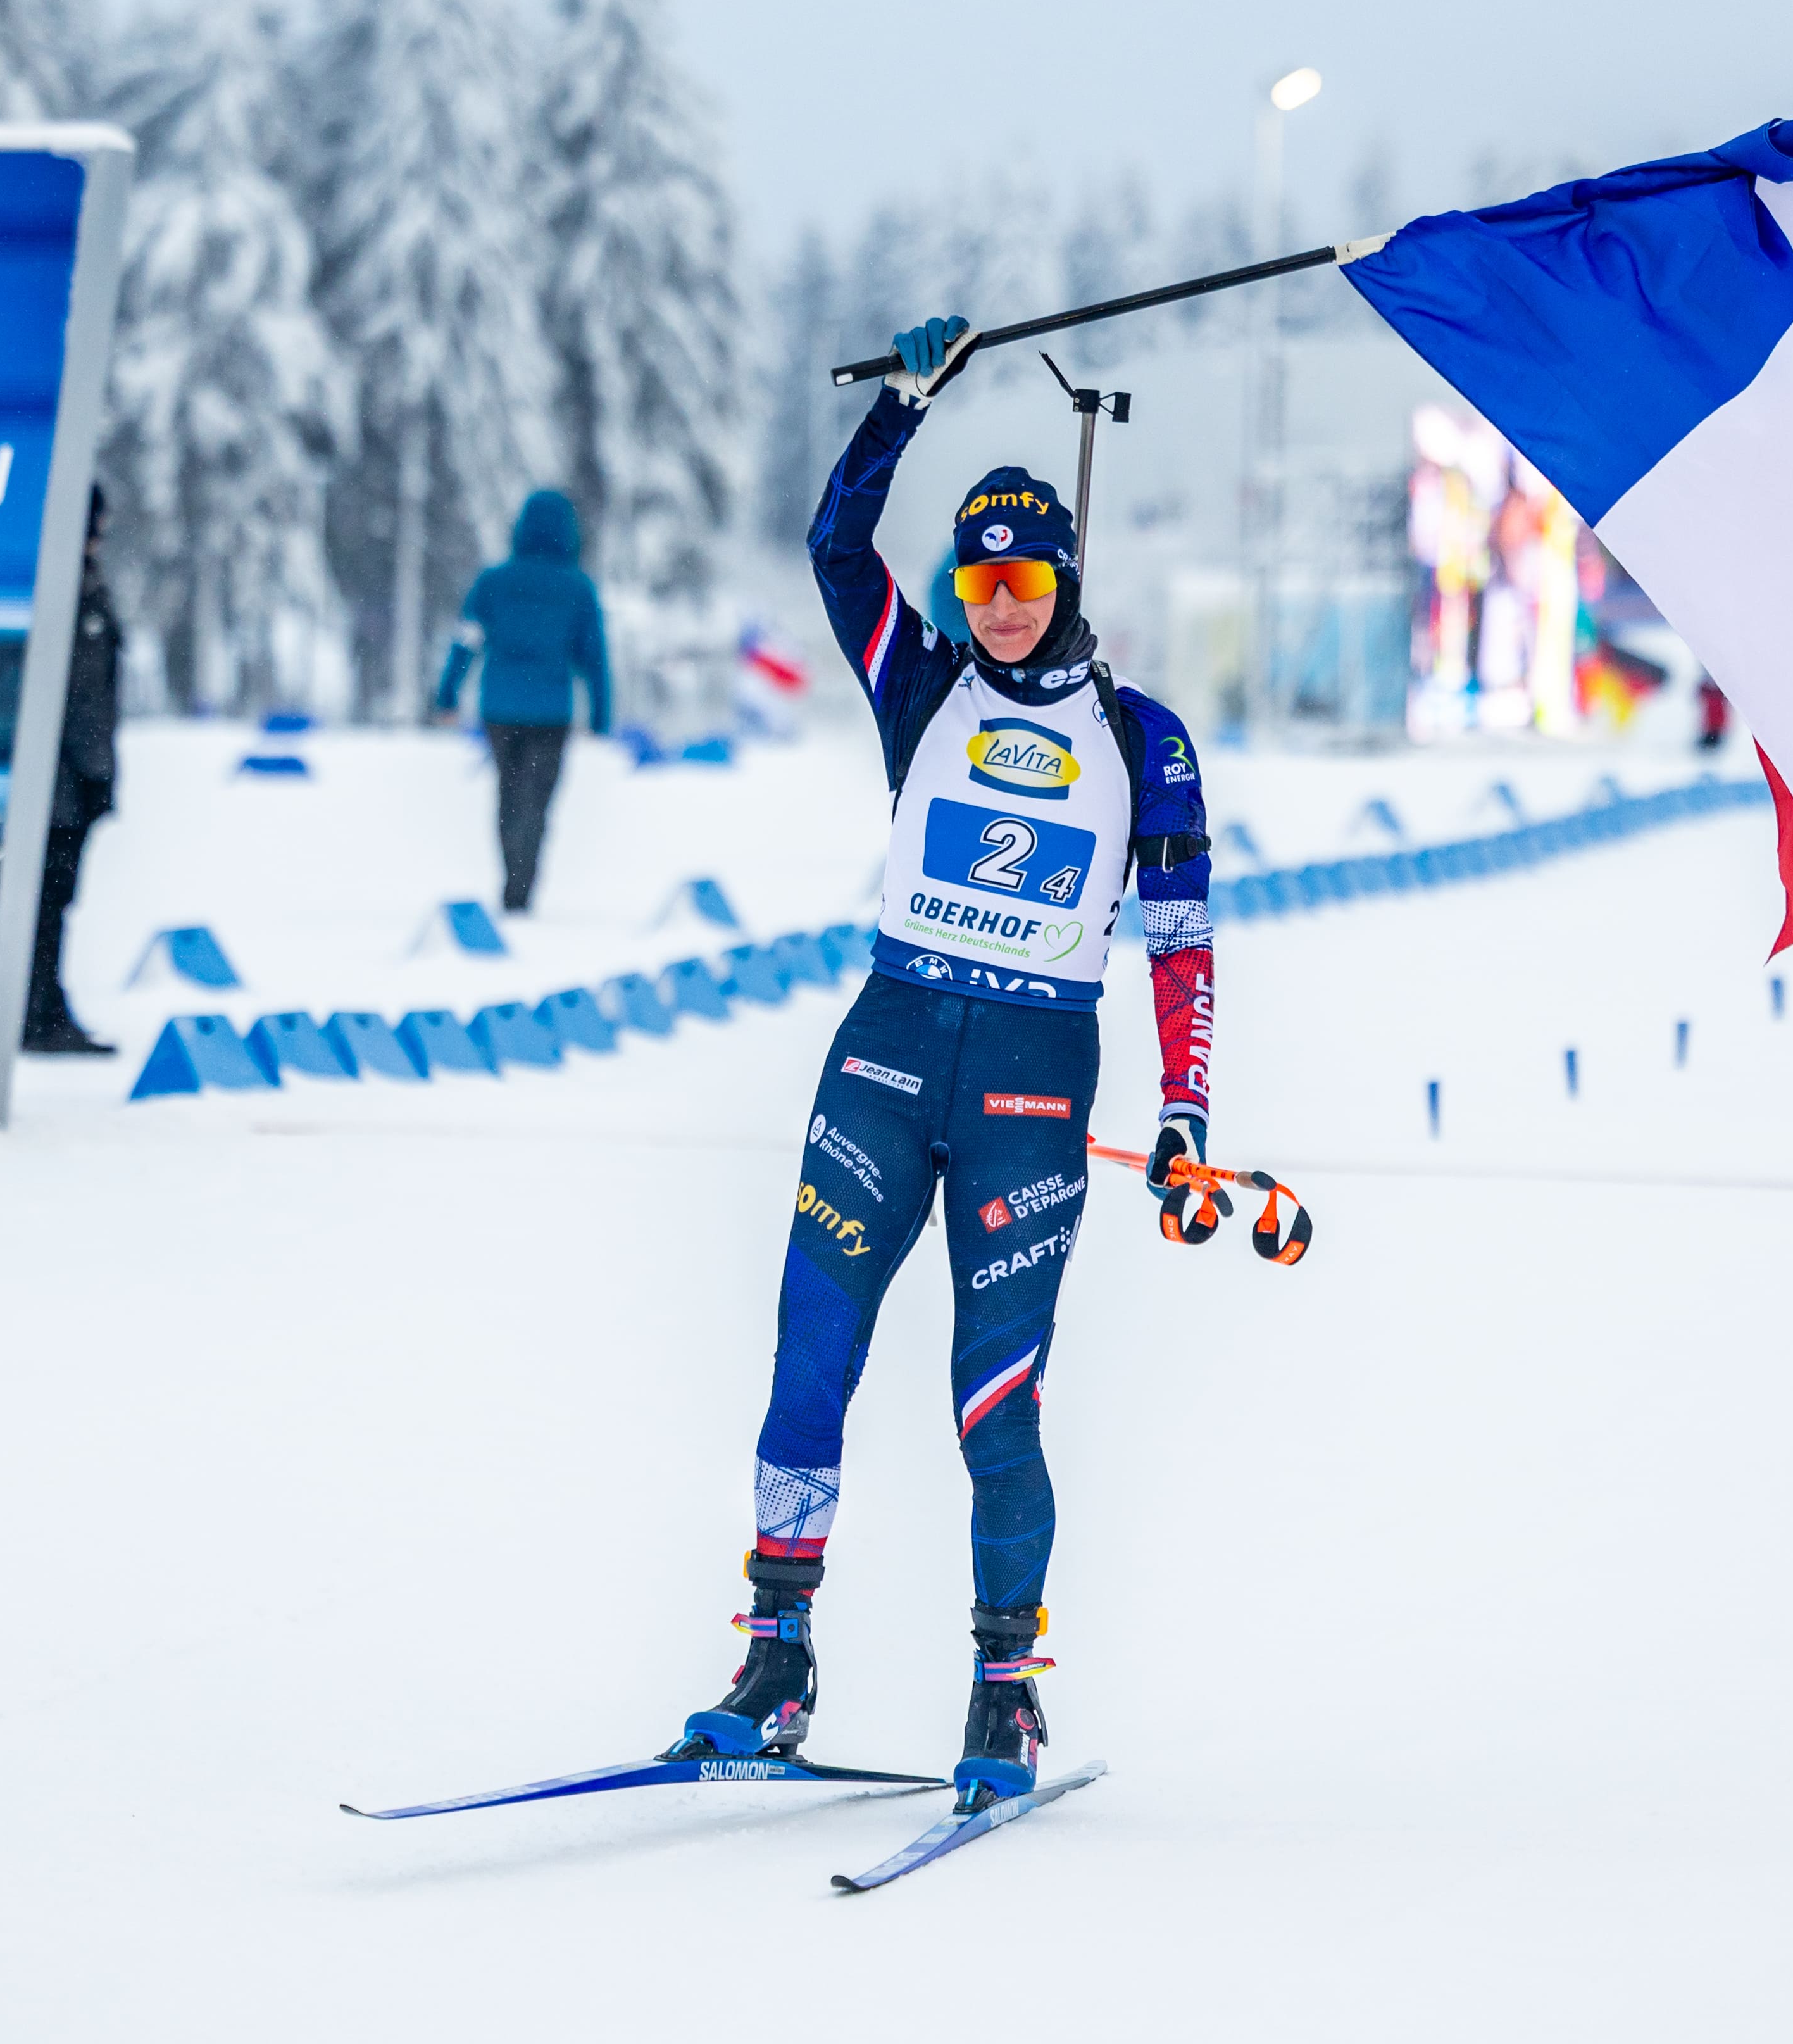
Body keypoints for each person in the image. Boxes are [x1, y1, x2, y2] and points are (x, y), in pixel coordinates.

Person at [675, 314, 1215, 1815]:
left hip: (1029, 1097)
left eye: (1026, 581)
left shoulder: (1143, 738)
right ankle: (775, 1662)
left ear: (1066, 580)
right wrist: (900, 411)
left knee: (997, 1399)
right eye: (980, 584)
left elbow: (1182, 941)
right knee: (808, 1363)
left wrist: (1185, 1110)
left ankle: (1005, 1688)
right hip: (886, 1056)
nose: (1003, 608)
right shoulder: (921, 688)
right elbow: (836, 549)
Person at [432, 488, 611, 915]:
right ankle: (522, 883)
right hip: (551, 711)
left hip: (500, 707)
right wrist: (601, 713)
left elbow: (466, 641)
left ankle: (512, 877)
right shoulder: (578, 588)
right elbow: (594, 657)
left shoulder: (494, 582)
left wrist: (447, 694)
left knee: (509, 793)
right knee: (537, 800)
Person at [23, 489, 120, 1056]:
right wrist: (96, 773)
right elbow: (83, 696)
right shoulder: (70, 590)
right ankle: (39, 1013)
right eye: (97, 525)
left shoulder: (68, 585)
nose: (101, 538)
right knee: (47, 902)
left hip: (60, 783)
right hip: (61, 788)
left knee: (48, 904)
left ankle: (43, 1007)